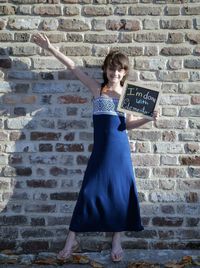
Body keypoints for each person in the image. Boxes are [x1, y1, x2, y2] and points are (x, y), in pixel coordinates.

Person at [33, 33, 159, 262]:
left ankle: (116, 240)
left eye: (119, 69)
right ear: (106, 70)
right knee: (88, 192)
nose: (115, 73)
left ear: (124, 72)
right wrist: (51, 48)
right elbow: (73, 68)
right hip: (101, 152)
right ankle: (71, 241)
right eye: (111, 69)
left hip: (120, 153)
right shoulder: (96, 89)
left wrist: (148, 119)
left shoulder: (127, 94)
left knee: (120, 195)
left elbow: (128, 124)